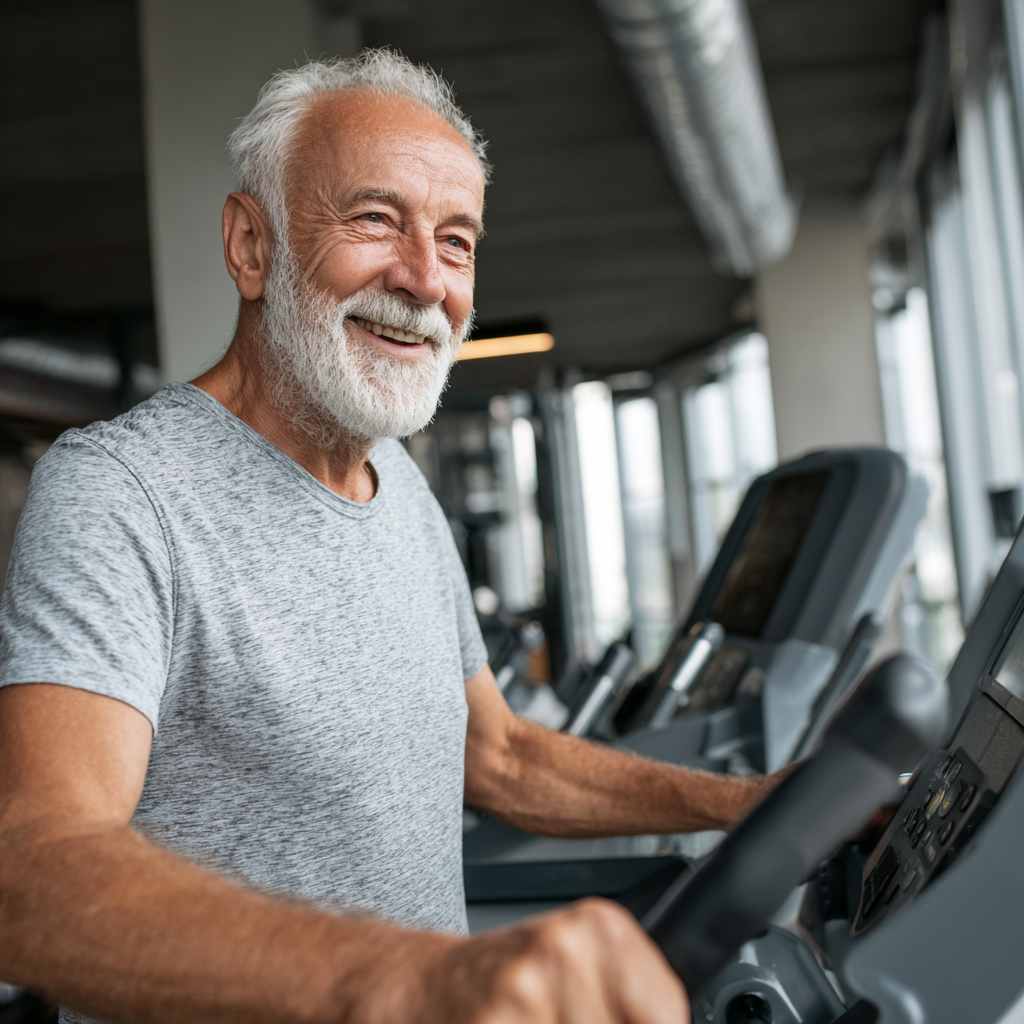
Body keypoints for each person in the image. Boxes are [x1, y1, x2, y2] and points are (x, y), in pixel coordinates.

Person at [0, 51, 777, 1024]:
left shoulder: (397, 485)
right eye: (375, 220)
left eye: (456, 242)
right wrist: (408, 980)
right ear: (251, 246)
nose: (423, 280)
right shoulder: (123, 491)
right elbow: (31, 869)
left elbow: (496, 755)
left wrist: (738, 803)